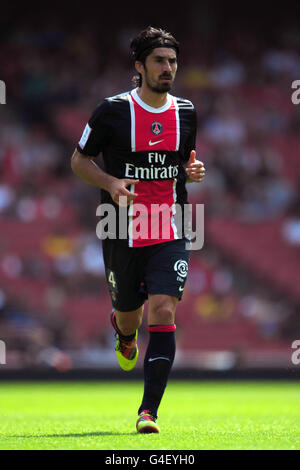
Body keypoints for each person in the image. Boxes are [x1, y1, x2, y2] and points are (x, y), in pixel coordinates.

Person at [71, 26, 205, 433]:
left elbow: (182, 165)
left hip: (170, 225)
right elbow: (78, 160)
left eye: (173, 61)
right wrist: (111, 183)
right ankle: (122, 332)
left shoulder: (186, 112)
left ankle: (148, 412)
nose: (169, 68)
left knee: (163, 310)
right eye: (160, 61)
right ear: (139, 66)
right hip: (120, 228)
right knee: (130, 319)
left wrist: (191, 172)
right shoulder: (110, 111)